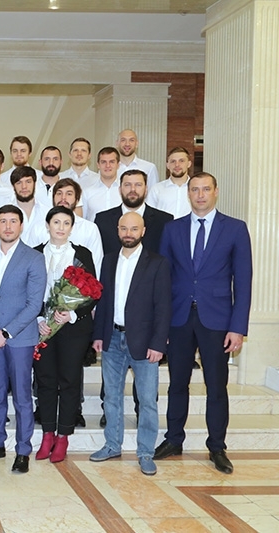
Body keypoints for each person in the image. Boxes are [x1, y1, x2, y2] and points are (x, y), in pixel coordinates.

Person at [154, 172, 253, 475]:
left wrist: (238, 327)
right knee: (177, 383)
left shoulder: (235, 228)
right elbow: (162, 279)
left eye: (205, 189)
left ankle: (217, 446)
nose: (200, 195)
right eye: (195, 189)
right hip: (179, 318)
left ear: (215, 191)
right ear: (189, 194)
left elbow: (243, 281)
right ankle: (174, 439)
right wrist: (161, 324)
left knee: (216, 386)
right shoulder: (172, 229)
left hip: (218, 321)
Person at [90, 212, 171, 476]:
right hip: (112, 338)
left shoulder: (157, 263)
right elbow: (103, 301)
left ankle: (146, 452)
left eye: (134, 228)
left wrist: (158, 344)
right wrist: (98, 335)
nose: (128, 233)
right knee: (112, 397)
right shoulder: (109, 260)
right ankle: (112, 445)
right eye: (124, 228)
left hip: (145, 342)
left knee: (147, 400)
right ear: (118, 230)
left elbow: (163, 307)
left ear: (143, 231)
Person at [0, 205, 46, 474]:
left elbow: (34, 304)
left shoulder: (34, 258)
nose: (7, 226)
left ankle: (23, 449)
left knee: (22, 396)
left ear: (21, 225)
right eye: (2, 221)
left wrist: (5, 333)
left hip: (19, 339)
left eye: (13, 221)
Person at [33, 206, 98, 463]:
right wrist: (40, 318)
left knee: (69, 381)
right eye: (56, 222)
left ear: (72, 227)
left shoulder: (82, 254)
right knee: (45, 380)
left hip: (73, 329)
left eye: (66, 223)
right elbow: (29, 290)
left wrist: (71, 314)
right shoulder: (36, 253)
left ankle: (63, 436)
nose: (60, 227)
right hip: (44, 328)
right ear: (47, 225)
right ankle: (47, 433)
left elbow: (93, 292)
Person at [95, 169, 174, 255]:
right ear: (120, 189)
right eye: (127, 185)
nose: (133, 189)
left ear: (146, 189)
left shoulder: (164, 221)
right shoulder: (102, 220)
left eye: (138, 185)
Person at [146, 146, 193, 218]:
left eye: (181, 161)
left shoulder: (196, 189)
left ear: (189, 164)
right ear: (167, 165)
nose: (177, 165)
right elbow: (149, 216)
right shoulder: (156, 189)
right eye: (173, 161)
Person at [10, 166, 49, 248]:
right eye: (19, 183)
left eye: (28, 182)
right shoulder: (6, 214)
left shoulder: (47, 212)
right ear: (13, 187)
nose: (24, 186)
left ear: (35, 183)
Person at [81, 147, 121, 222]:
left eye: (112, 162)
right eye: (103, 162)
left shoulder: (126, 191)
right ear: (98, 165)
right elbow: (82, 221)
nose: (108, 165)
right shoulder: (87, 192)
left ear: (118, 165)